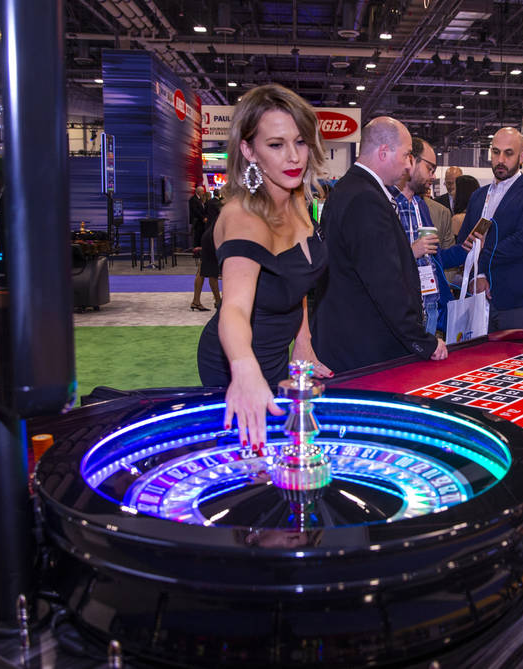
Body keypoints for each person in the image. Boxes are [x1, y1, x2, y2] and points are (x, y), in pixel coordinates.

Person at [195, 84, 332, 448]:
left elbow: (299, 279)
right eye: (276, 145)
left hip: (276, 353)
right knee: (250, 467)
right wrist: (243, 369)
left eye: (301, 142)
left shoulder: (297, 194)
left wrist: (303, 341)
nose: (294, 157)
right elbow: (235, 308)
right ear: (248, 149)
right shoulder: (244, 217)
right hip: (237, 360)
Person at [314, 117, 447, 372]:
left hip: (349, 342)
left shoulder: (350, 188)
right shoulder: (365, 198)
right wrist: (422, 341)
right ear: (384, 152)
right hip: (363, 350)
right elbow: (385, 283)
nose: (410, 163)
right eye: (407, 154)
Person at [439, 127, 523, 331]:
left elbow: (522, 242)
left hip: (516, 301)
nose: (501, 159)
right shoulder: (478, 196)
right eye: (496, 152)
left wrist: (481, 256)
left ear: (521, 157)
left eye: (508, 153)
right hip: (478, 298)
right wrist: (476, 276)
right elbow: (466, 243)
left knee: (515, 361)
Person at [392, 137, 454, 336]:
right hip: (402, 314)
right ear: (411, 161)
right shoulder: (387, 205)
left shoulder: (421, 206)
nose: (433, 176)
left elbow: (435, 258)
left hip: (430, 309)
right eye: (430, 168)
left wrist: (466, 249)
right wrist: (411, 252)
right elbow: (377, 265)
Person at [190, 188, 223, 311]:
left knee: (203, 270)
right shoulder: (222, 206)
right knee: (211, 272)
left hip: (209, 235)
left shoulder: (214, 204)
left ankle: (196, 301)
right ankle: (218, 301)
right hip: (212, 238)